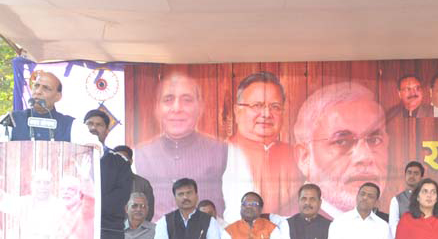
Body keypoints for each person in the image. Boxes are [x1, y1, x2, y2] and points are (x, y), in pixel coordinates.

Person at [133, 71, 228, 219]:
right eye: (168, 100)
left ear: (200, 107)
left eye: (187, 100)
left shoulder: (223, 151)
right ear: (157, 108)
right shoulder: (139, 154)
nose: (177, 108)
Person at [294, 82, 388, 218]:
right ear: (305, 157)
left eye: (374, 140)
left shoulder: (389, 224)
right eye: (342, 142)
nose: (364, 157)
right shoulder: (290, 224)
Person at [226, 71, 302, 216]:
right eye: (257, 106)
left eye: (275, 107)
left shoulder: (297, 157)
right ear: (237, 111)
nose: (267, 114)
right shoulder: (220, 155)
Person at [0, 70, 93, 146]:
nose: (38, 91)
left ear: (58, 96)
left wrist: (94, 148)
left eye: (46, 88)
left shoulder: (71, 125)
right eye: (36, 86)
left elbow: (93, 148)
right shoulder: (12, 119)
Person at [325, 182, 395, 239]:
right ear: (357, 197)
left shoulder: (383, 226)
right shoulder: (340, 222)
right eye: (362, 194)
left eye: (370, 196)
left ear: (377, 202)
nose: (365, 198)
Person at [113, 145, 155, 220]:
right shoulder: (106, 183)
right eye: (117, 159)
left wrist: (136, 229)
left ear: (131, 161)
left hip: (136, 230)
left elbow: (149, 212)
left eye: (124, 158)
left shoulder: (143, 184)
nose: (120, 161)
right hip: (111, 229)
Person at [387, 161, 424, 236]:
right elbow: (393, 226)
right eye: (409, 173)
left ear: (421, 177)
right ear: (405, 175)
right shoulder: (396, 200)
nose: (412, 176)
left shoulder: (428, 198)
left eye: (416, 173)